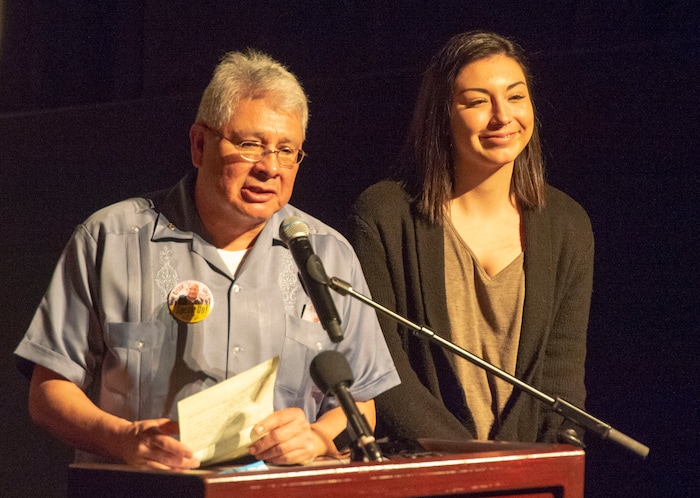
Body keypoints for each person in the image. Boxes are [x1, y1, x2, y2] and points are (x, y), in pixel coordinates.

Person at [15, 49, 400, 470]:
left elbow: (360, 401)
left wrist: (318, 437)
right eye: (251, 145)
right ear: (200, 144)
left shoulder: (328, 255)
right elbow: (48, 392)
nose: (270, 168)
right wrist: (122, 438)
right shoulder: (110, 238)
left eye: (287, 150)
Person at [347, 31, 593, 446]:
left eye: (516, 97)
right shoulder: (385, 214)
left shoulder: (567, 224)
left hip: (526, 473)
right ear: (441, 116)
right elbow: (384, 371)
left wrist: (550, 458)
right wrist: (471, 461)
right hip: (424, 470)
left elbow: (561, 376)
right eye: (478, 101)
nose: (502, 116)